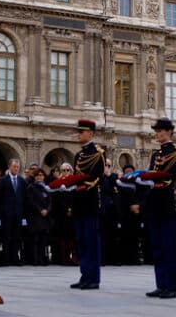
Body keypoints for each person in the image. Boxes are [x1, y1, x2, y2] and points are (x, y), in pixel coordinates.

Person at [135, 118, 176, 299]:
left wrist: (147, 178)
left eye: (160, 130)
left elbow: (167, 176)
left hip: (166, 203)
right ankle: (160, 284)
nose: (157, 134)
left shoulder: (175, 153)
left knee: (168, 247)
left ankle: (171, 286)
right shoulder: (156, 154)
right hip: (154, 203)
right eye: (156, 131)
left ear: (169, 131)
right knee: (157, 247)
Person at [70, 119, 105, 290]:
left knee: (91, 241)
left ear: (91, 133)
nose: (78, 134)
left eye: (81, 132)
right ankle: (84, 275)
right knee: (81, 241)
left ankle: (93, 278)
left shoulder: (98, 153)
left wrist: (81, 185)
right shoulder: (79, 155)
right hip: (79, 203)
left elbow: (98, 178)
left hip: (90, 201)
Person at [0, 158, 27, 266]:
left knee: (17, 237)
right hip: (6, 214)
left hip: (18, 213)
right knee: (6, 237)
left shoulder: (22, 181)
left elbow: (24, 198)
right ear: (9, 167)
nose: (16, 168)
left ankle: (15, 258)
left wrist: (23, 214)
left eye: (18, 167)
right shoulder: (2, 180)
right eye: (14, 166)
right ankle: (6, 259)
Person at [26, 169, 52, 266]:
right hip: (35, 217)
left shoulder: (47, 187)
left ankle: (42, 258)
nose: (39, 177)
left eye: (41, 175)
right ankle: (35, 259)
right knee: (35, 239)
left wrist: (47, 210)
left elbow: (50, 201)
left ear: (44, 176)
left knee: (43, 239)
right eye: (37, 175)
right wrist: (40, 210)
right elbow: (31, 201)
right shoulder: (31, 187)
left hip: (45, 217)